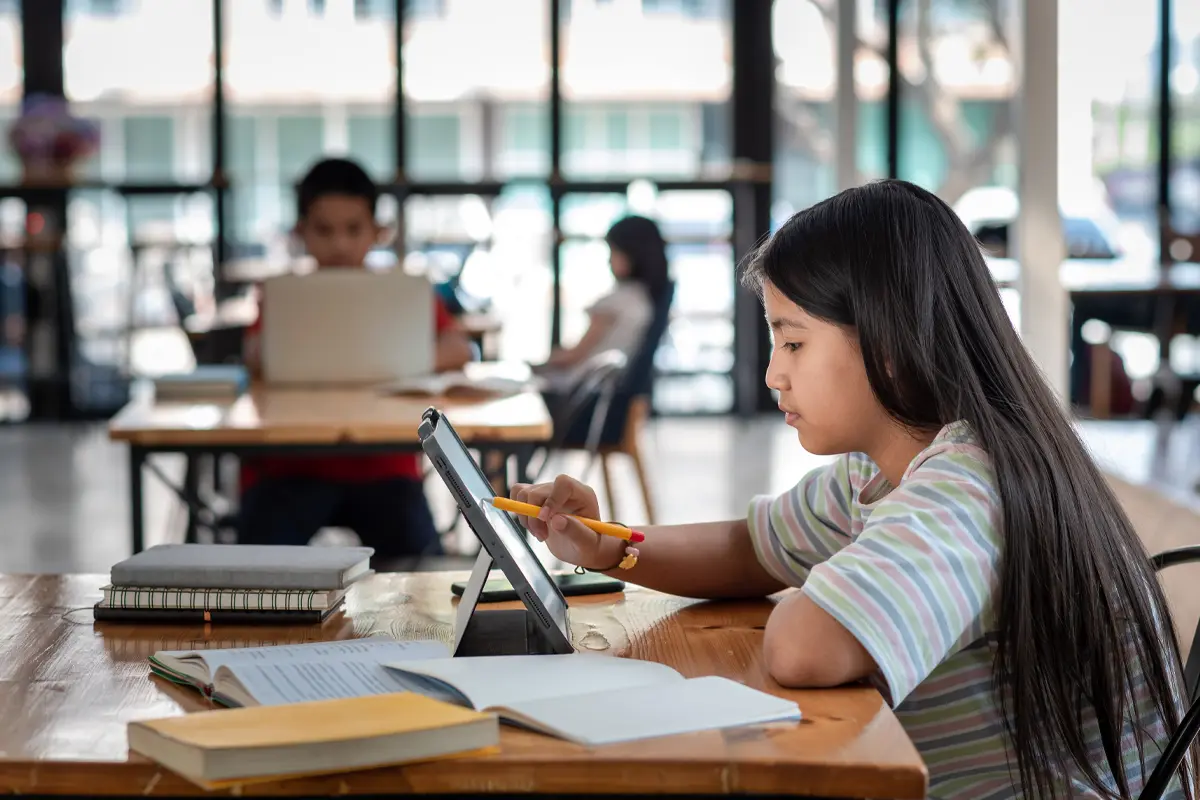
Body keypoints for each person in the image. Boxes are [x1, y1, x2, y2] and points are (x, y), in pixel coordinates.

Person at [509, 180, 1193, 798]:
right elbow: (752, 546)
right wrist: (605, 546)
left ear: (889, 343)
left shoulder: (967, 486)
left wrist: (834, 583)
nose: (775, 374)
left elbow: (804, 648)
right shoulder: (880, 471)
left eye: (794, 343)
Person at [239, 157, 473, 565]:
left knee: (419, 572)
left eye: (353, 229)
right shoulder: (284, 294)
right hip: (289, 465)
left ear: (376, 232)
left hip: (384, 469)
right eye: (324, 230)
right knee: (257, 571)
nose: (340, 244)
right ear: (302, 233)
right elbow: (254, 356)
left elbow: (460, 348)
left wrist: (394, 361)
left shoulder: (401, 291)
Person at [535, 215, 670, 390]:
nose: (609, 260)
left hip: (575, 393)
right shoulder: (647, 301)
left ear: (631, 254)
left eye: (613, 251)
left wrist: (530, 366)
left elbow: (573, 357)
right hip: (600, 395)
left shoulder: (617, 302)